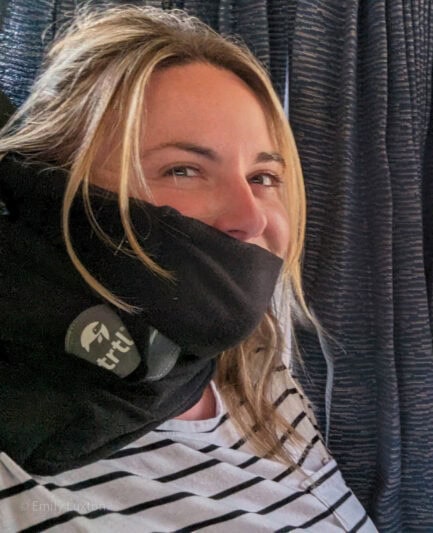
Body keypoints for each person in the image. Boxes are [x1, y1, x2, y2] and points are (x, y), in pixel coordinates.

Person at [0, 6, 375, 531]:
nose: (251, 218)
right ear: (55, 188)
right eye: (183, 170)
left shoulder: (255, 376)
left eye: (263, 176)